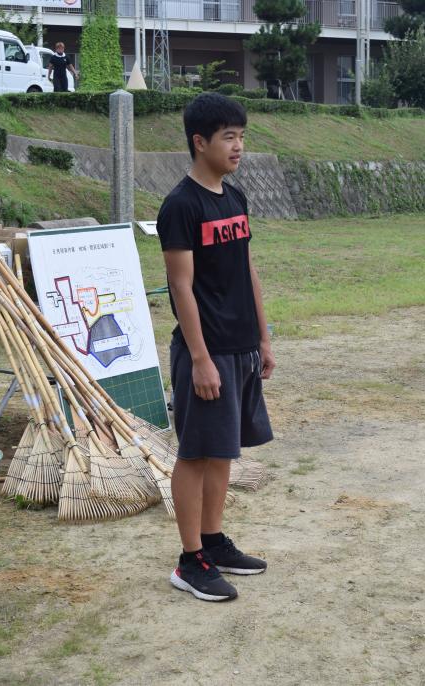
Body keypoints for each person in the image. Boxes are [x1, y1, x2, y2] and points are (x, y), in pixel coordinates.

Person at [156, 93, 275, 602]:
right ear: (199, 142)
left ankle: (213, 541)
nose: (238, 146)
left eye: (242, 136)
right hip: (204, 350)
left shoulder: (235, 198)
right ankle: (189, 561)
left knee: (223, 451)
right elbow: (181, 286)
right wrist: (200, 358)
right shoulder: (181, 205)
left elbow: (247, 268)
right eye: (229, 136)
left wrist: (263, 337)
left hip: (240, 346)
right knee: (197, 453)